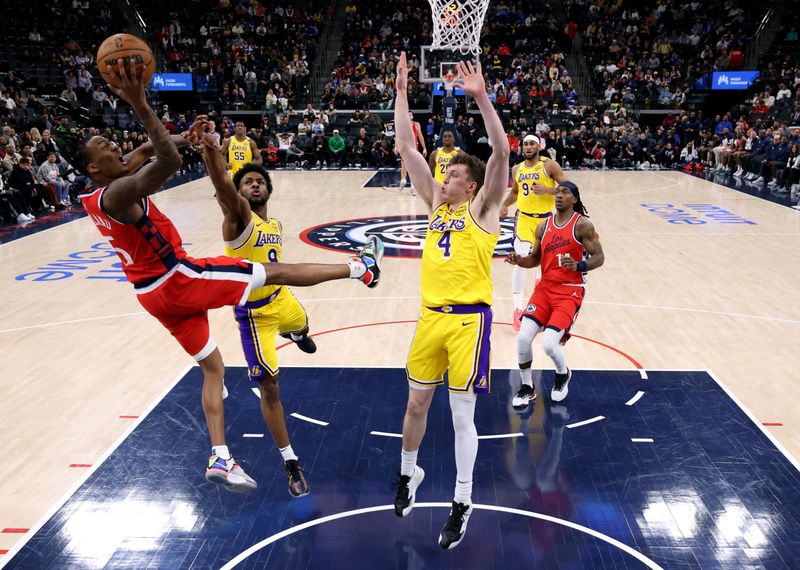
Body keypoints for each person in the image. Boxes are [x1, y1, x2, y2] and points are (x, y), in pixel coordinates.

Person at [75, 61, 384, 494]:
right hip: (176, 277)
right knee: (276, 273)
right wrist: (141, 104)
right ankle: (360, 267)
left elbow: (145, 152)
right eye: (108, 145)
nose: (118, 147)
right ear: (95, 169)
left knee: (214, 367)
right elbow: (167, 160)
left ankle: (220, 457)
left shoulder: (97, 191)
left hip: (151, 293)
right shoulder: (118, 193)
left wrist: (181, 136)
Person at [392, 53, 509, 550]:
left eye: (453, 174)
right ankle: (408, 475)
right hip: (429, 320)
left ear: (472, 185)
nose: (443, 177)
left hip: (469, 324)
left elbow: (501, 153)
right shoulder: (435, 207)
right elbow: (405, 148)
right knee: (416, 403)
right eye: (444, 173)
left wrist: (481, 97)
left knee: (463, 416)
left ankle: (463, 500)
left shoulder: (484, 209)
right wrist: (400, 92)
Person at [193, 124, 318, 497]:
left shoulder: (274, 223)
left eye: (258, 181)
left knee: (303, 323)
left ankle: (297, 333)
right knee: (270, 389)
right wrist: (213, 153)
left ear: (268, 188)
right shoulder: (239, 220)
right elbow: (224, 192)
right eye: (246, 182)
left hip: (283, 299)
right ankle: (290, 460)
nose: (254, 185)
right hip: (255, 316)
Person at [505, 181, 604, 408]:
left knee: (549, 344)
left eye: (565, 192)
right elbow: (535, 259)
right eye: (557, 192)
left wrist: (579, 266)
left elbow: (599, 257)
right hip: (544, 289)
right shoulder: (543, 226)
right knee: (522, 339)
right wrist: (519, 260)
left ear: (574, 199)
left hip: (569, 292)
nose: (559, 195)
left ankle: (562, 373)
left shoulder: (582, 226)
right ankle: (527, 387)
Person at [500, 135, 567, 331]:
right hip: (524, 220)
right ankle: (518, 309)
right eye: (525, 144)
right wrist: (504, 205)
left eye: (532, 144)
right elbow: (515, 192)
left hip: (546, 220)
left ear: (539, 146)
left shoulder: (550, 166)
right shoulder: (517, 168)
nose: (528, 147)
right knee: (520, 261)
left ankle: (543, 306)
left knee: (545, 264)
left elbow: (568, 188)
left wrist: (548, 190)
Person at [398, 112, 427, 195]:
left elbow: (421, 136)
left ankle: (413, 187)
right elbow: (398, 137)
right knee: (404, 167)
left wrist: (424, 148)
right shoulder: (402, 125)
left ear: (412, 116)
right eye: (407, 114)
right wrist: (396, 147)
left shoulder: (416, 124)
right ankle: (403, 180)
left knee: (413, 168)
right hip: (404, 148)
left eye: (410, 114)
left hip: (414, 148)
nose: (409, 116)